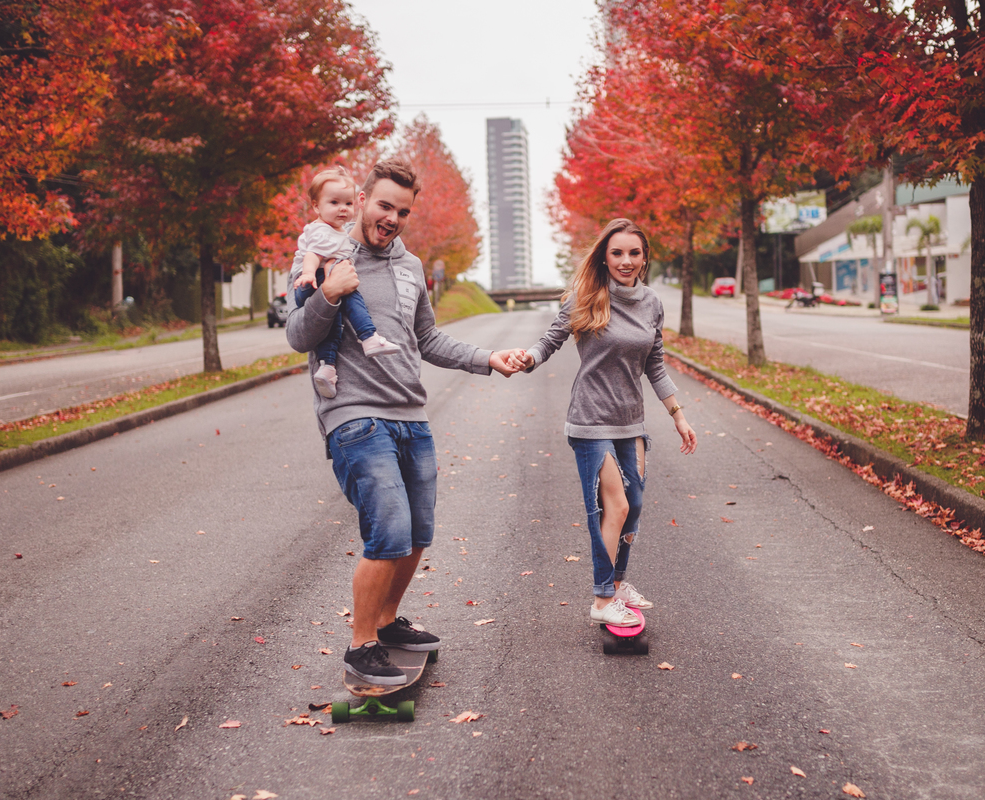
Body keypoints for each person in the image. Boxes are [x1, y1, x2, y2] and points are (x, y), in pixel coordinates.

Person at [286, 157, 525, 684]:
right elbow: (299, 335)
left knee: (418, 531)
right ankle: (361, 643)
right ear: (362, 199)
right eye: (383, 205)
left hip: (411, 416)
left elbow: (428, 339)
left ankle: (388, 622)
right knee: (389, 529)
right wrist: (329, 293)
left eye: (402, 211)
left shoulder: (411, 266)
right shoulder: (322, 252)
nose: (391, 217)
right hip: (354, 416)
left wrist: (488, 358)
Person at [511, 218, 697, 627]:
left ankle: (617, 582)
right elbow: (550, 340)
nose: (626, 261)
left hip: (631, 421)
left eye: (634, 253)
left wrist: (678, 416)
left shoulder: (651, 303)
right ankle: (601, 598)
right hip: (590, 420)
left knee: (635, 508)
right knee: (615, 505)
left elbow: (655, 364)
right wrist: (528, 359)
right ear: (605, 256)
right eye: (617, 253)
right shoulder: (586, 296)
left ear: (644, 257)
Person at [292, 166, 401, 399]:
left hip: (315, 280)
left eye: (347, 204)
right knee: (353, 294)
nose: (342, 209)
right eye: (334, 203)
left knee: (335, 324)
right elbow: (313, 254)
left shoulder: (334, 231)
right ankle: (369, 337)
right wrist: (310, 274)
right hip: (312, 281)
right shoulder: (323, 231)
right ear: (316, 206)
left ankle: (327, 368)